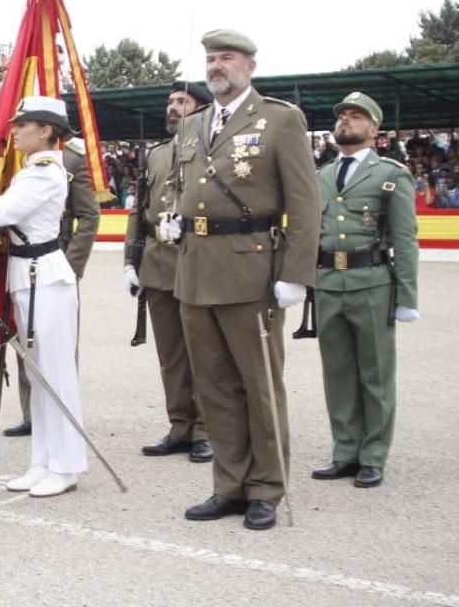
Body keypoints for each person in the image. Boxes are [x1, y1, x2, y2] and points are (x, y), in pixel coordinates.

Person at [159, 29, 319, 531]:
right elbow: (184, 188)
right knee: (215, 387)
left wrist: (296, 274)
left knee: (259, 385)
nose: (216, 67)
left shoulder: (279, 119)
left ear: (249, 65)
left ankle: (267, 487)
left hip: (250, 269)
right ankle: (229, 484)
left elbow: (305, 202)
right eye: (210, 59)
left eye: (225, 58)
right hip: (195, 268)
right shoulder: (195, 124)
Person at [0, 96, 86, 497]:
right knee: (37, 374)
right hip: (29, 275)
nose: (14, 130)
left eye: (23, 124)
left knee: (54, 375)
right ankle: (43, 460)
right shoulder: (33, 170)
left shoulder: (44, 173)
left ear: (47, 131)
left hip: (45, 278)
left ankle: (66, 466)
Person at [311, 92, 420, 488]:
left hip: (372, 282)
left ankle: (373, 455)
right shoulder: (321, 176)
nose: (346, 121)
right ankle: (345, 451)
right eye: (342, 116)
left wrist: (407, 298)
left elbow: (405, 239)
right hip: (327, 283)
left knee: (375, 373)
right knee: (337, 372)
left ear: (373, 130)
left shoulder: (391, 173)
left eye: (356, 117)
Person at [124, 81, 215, 463]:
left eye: (182, 101)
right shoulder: (158, 154)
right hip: (158, 262)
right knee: (171, 353)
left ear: (201, 108)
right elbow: (138, 208)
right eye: (171, 102)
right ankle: (180, 425)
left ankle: (205, 430)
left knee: (204, 352)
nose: (173, 107)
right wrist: (131, 259)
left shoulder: (214, 150)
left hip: (197, 259)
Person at [2, 120, 101, 438]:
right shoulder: (13, 158)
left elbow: (89, 215)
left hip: (53, 264)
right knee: (25, 342)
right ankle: (32, 413)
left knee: (56, 349)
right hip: (22, 263)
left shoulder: (70, 160)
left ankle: (61, 416)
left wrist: (71, 266)